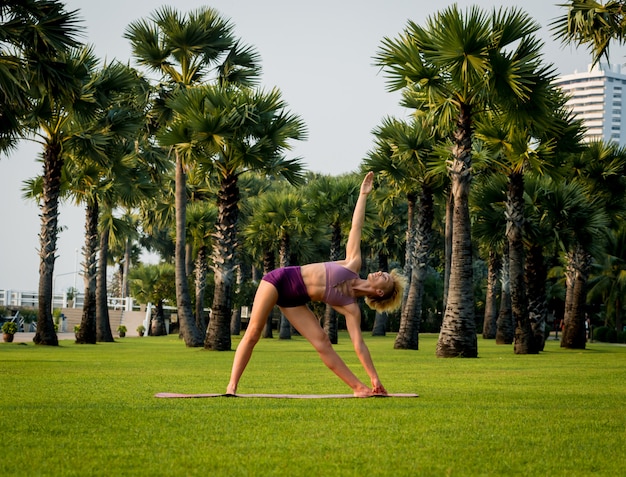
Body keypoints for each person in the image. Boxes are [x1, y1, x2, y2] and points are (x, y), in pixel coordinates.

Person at [226, 171, 407, 397]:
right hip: (279, 280)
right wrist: (363, 195)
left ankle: (360, 388)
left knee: (322, 342)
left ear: (379, 291)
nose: (381, 272)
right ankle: (232, 386)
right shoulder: (352, 263)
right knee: (253, 332)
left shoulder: (351, 308)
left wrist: (374, 378)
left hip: (295, 300)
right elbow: (356, 228)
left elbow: (359, 345)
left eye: (385, 277)